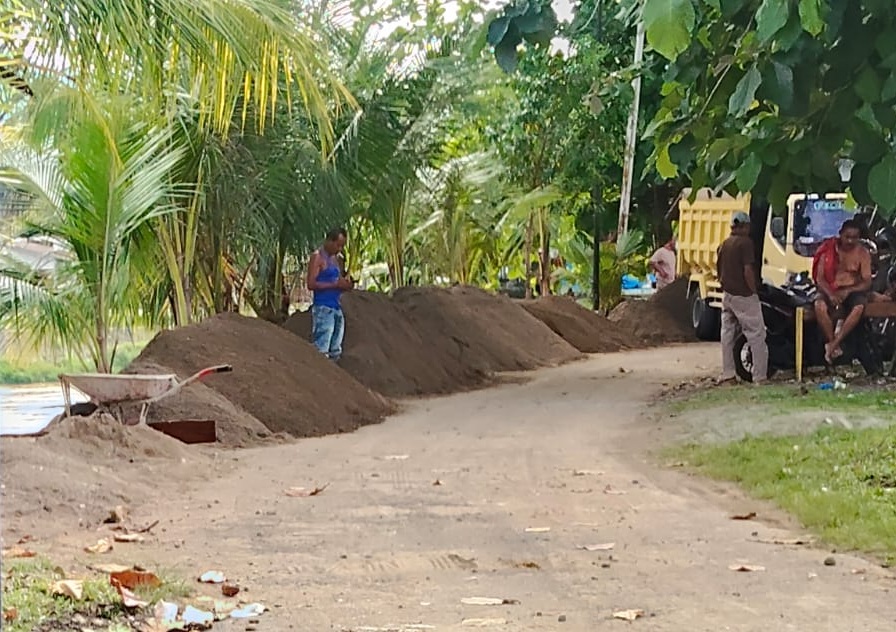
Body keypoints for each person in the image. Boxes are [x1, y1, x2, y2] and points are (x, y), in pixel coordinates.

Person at [812, 219, 873, 363]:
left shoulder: (862, 253)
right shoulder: (828, 249)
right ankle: (833, 342)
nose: (850, 241)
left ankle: (833, 344)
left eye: (855, 238)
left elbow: (867, 282)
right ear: (840, 234)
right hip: (829, 289)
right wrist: (830, 294)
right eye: (847, 237)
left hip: (852, 291)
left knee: (858, 307)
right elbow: (820, 278)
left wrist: (848, 291)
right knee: (818, 306)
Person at [717, 212, 767, 384]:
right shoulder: (745, 243)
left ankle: (728, 373)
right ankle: (759, 376)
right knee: (756, 335)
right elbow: (748, 270)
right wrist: (753, 291)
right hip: (743, 295)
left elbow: (718, 270)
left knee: (727, 335)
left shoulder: (724, 244)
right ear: (745, 226)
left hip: (728, 295)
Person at [306, 227, 354, 361]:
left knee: (335, 350)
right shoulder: (317, 257)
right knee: (322, 349)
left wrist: (345, 284)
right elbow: (311, 284)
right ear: (329, 241)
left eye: (342, 246)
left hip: (336, 306)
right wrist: (334, 285)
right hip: (323, 307)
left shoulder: (334, 259)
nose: (339, 249)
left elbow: (335, 280)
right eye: (338, 245)